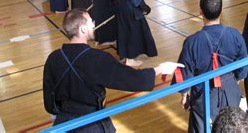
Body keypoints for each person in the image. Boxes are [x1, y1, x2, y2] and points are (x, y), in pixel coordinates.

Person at [43, 9, 183, 131]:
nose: (93, 24)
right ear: (83, 29)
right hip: (91, 124)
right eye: (90, 22)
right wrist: (161, 69)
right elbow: (132, 79)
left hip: (62, 123)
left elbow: (49, 101)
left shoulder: (53, 58)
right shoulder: (97, 58)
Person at [173, 0, 248, 133]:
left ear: (200, 12)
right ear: (222, 10)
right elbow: (243, 66)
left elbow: (184, 71)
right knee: (231, 125)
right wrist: (234, 80)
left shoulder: (192, 42)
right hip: (230, 89)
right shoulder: (234, 34)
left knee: (202, 126)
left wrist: (184, 94)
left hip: (203, 92)